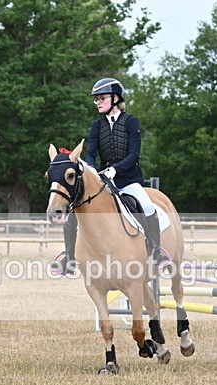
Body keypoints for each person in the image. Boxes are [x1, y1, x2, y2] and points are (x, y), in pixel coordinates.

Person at [50, 77, 165, 275]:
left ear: (115, 98)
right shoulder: (97, 125)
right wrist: (91, 169)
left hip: (128, 179)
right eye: (96, 99)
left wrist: (116, 169)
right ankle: (69, 258)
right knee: (74, 212)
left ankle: (156, 251)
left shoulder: (131, 121)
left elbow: (134, 155)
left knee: (146, 205)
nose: (98, 102)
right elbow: (90, 153)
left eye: (101, 98)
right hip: (104, 181)